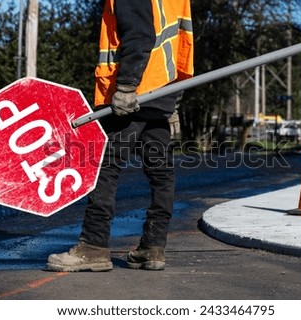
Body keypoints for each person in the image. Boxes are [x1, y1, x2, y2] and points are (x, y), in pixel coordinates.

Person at [46, 0, 193, 272]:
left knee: (105, 166)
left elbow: (140, 36)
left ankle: (93, 246)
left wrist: (125, 86)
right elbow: (179, 47)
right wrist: (175, 100)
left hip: (134, 95)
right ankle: (153, 247)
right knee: (161, 172)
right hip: (162, 92)